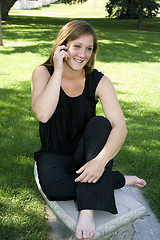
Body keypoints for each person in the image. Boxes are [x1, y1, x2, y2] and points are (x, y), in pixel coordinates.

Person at [31, 20, 146, 240]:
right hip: (54, 153)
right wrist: (58, 71)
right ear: (62, 46)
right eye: (77, 46)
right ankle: (117, 179)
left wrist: (99, 161)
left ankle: (87, 209)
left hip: (87, 153)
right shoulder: (42, 73)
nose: (83, 54)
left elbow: (120, 127)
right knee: (54, 189)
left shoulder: (99, 80)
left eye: (89, 48)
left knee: (101, 123)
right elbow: (43, 114)